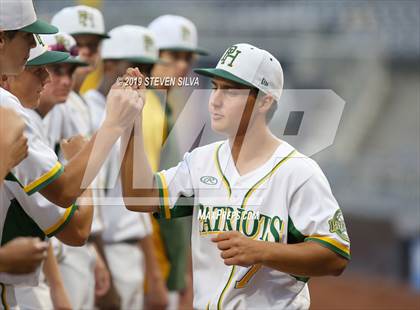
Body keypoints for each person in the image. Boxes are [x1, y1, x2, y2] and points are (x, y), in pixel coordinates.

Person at [121, 43, 351, 309]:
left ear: (265, 100)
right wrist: (132, 121)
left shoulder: (299, 172)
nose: (215, 99)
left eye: (230, 90)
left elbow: (336, 256)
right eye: (216, 86)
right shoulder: (201, 161)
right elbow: (137, 196)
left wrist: (262, 251)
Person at [1, 35, 94, 310]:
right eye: (36, 69)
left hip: (38, 255)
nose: (49, 78)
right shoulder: (13, 117)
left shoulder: (46, 113)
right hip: (30, 266)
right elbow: (75, 224)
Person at [84, 25, 168, 310]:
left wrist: (154, 272)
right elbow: (87, 200)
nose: (141, 76)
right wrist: (99, 262)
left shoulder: (132, 111)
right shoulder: (87, 113)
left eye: (147, 68)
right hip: (101, 253)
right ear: (108, 65)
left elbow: (137, 200)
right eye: (134, 67)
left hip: (133, 252)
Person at [148, 15, 209, 308]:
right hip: (147, 267)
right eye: (173, 55)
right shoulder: (147, 107)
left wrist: (181, 266)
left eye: (188, 57)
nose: (182, 65)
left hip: (163, 263)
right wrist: (155, 276)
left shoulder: (162, 106)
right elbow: (135, 201)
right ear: (150, 54)